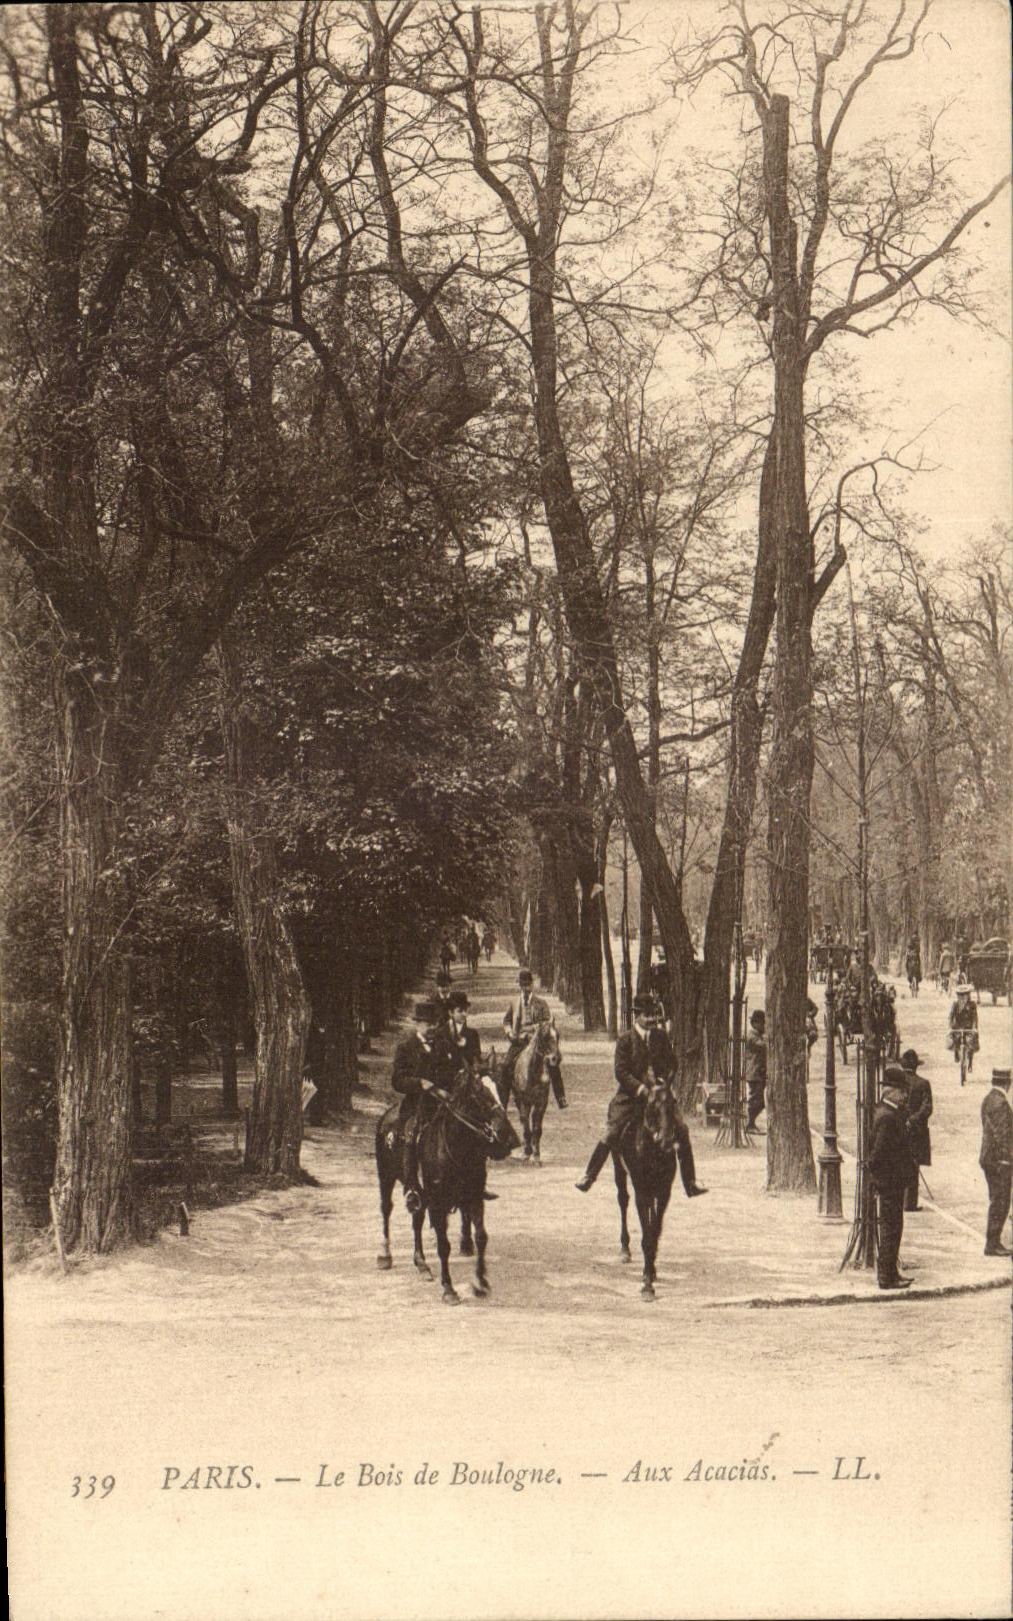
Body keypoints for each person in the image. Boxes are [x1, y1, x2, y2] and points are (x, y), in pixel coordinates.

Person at [575, 993, 707, 1197]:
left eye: (653, 1014)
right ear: (636, 1016)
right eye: (646, 1015)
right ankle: (589, 1175)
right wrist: (640, 1088)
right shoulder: (625, 1040)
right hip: (631, 1097)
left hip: (659, 1096)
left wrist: (664, 1082)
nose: (651, 1019)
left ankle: (690, 1182)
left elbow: (672, 1063)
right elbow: (621, 1072)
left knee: (682, 1128)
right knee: (612, 1131)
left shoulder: (661, 1036)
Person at [391, 1002, 458, 1212]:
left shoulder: (443, 1046)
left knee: (462, 1130)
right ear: (417, 1024)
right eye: (427, 1023)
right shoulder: (406, 1047)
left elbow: (452, 1072)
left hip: (441, 1104)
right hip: (416, 1105)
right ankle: (412, 1187)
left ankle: (463, 1183)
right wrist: (420, 1083)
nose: (431, 1027)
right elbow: (397, 1080)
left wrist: (449, 1088)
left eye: (434, 1023)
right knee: (410, 1135)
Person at [868, 1063, 916, 1290]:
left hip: (892, 1182)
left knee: (894, 1227)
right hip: (890, 1183)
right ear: (891, 1092)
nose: (905, 1096)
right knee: (891, 1229)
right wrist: (884, 1177)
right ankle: (886, 1276)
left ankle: (890, 1272)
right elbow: (878, 1154)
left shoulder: (888, 1112)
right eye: (902, 1091)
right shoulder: (887, 1117)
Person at [502, 969, 567, 1108]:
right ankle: (503, 1101)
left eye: (527, 985)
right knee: (506, 1066)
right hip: (519, 1041)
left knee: (553, 1065)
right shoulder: (514, 1003)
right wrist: (510, 1033)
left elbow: (547, 1022)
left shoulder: (541, 1003)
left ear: (532, 985)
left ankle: (561, 1097)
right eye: (523, 985)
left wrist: (536, 1029)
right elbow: (506, 1021)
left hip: (537, 1041)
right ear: (519, 985)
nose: (525, 988)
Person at [979, 1068, 1013, 1257]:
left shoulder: (988, 1099)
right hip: (999, 1161)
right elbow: (1002, 1136)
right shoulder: (1001, 1103)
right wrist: (1006, 1158)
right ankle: (993, 1244)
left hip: (989, 1158)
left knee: (997, 1199)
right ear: (1008, 1083)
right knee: (1001, 1201)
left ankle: (993, 1242)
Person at [900, 1049, 932, 1212]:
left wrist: (902, 1120)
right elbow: (927, 1108)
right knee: (913, 1165)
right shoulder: (923, 1084)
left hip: (898, 1128)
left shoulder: (897, 1082)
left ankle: (900, 1199)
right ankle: (909, 1203)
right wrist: (913, 1120)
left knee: (898, 1162)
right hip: (916, 1130)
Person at [947, 978, 979, 1070]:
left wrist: (974, 1028)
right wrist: (950, 1027)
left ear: (968, 996)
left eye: (965, 995)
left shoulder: (972, 1005)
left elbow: (975, 1017)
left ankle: (970, 1063)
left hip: (969, 1027)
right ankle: (956, 1052)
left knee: (971, 1043)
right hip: (957, 1027)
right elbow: (951, 1016)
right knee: (953, 1039)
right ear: (958, 996)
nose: (962, 997)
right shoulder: (955, 1005)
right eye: (960, 995)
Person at [744, 1009, 767, 1131]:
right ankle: (749, 1123)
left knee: (759, 1101)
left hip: (759, 1072)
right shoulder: (752, 1036)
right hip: (754, 1073)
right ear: (755, 1023)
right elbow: (764, 1046)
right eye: (763, 1024)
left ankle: (750, 1122)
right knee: (756, 1100)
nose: (764, 1026)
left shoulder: (757, 1035)